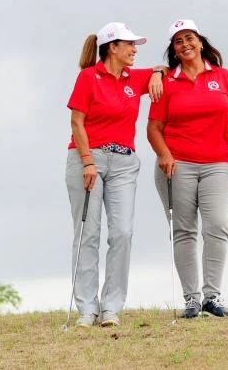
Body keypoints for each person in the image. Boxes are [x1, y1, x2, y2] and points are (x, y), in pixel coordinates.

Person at [66, 22, 165, 328]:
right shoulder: (88, 77)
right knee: (89, 234)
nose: (135, 50)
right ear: (113, 47)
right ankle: (87, 308)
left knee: (122, 232)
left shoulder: (133, 78)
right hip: (88, 159)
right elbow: (77, 122)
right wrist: (87, 162)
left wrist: (159, 74)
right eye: (130, 45)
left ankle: (111, 307)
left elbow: (160, 68)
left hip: (123, 162)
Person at [147, 19, 228, 319]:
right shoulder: (166, 82)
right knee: (184, 230)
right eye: (178, 41)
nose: (185, 44)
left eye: (189, 38)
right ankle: (191, 299)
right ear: (174, 51)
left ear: (200, 42)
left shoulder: (223, 76)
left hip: (218, 163)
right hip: (178, 164)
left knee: (217, 225)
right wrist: (164, 155)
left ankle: (212, 296)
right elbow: (153, 128)